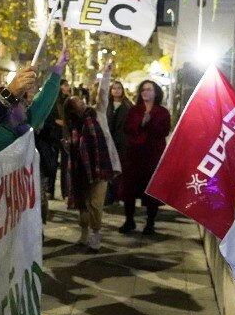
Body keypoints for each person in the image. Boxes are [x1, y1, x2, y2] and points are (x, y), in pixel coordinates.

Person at [0, 46, 69, 224]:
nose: (26, 105)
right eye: (20, 102)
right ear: (7, 109)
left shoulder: (22, 124)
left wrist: (58, 69)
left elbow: (44, 101)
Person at [119, 80, 170, 235]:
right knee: (129, 190)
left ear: (156, 92)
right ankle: (129, 220)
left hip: (152, 156)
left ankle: (150, 223)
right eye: (143, 90)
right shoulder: (135, 110)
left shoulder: (162, 112)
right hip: (134, 156)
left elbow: (164, 131)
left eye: (149, 89)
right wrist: (141, 123)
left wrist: (149, 123)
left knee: (150, 191)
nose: (146, 92)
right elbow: (127, 128)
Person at [62, 94, 113, 251]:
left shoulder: (95, 116)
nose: (81, 102)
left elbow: (103, 95)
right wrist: (68, 146)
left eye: (80, 99)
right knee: (83, 205)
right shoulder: (72, 126)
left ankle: (95, 235)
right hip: (81, 170)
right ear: (71, 110)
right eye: (76, 102)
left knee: (96, 204)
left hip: (99, 168)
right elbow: (73, 149)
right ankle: (84, 234)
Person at [105, 78, 132, 205]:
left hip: (122, 142)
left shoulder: (128, 106)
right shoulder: (106, 105)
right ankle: (109, 195)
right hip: (108, 141)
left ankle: (118, 195)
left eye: (119, 88)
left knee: (120, 169)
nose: (116, 90)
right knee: (108, 168)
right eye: (114, 88)